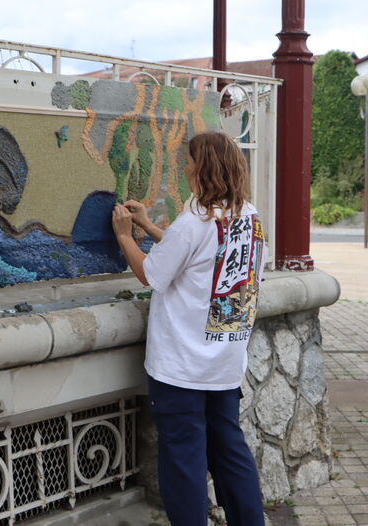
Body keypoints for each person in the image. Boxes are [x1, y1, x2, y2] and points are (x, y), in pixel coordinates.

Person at [111, 131, 266, 526]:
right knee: (230, 453)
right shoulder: (249, 216)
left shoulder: (193, 220)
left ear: (203, 167)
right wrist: (151, 226)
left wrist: (127, 235)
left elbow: (152, 273)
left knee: (184, 462)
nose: (185, 166)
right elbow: (202, 258)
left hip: (182, 366)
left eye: (190, 159)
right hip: (224, 362)